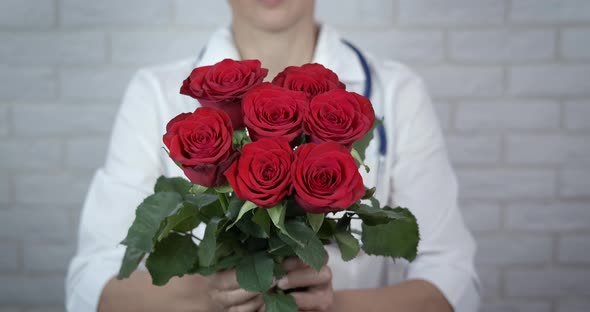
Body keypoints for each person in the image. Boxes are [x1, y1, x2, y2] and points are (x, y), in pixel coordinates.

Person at [66, 0, 480, 311]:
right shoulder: (154, 91)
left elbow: (453, 280)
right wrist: (210, 296)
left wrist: (333, 305)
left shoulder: (396, 90)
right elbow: (90, 284)